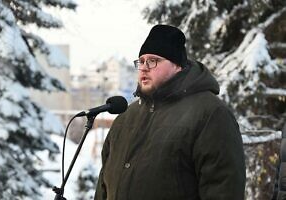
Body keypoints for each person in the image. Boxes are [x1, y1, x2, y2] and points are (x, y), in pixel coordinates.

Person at [94, 24, 246, 200]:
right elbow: (103, 188)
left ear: (177, 66)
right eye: (141, 61)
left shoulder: (210, 114)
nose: (144, 67)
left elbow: (224, 190)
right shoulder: (126, 118)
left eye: (153, 60)